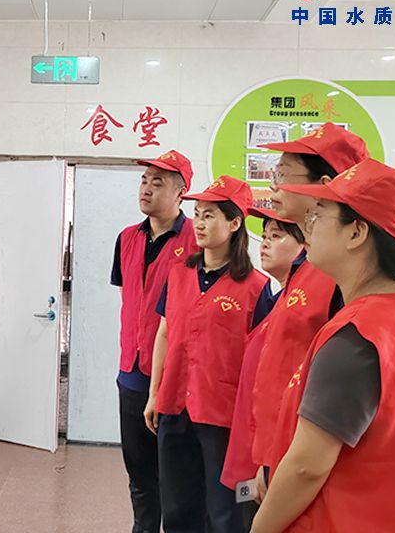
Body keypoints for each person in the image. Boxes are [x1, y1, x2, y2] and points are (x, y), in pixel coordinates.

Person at [252, 158, 395, 533]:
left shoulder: (358, 336)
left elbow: (307, 467)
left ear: (356, 233)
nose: (308, 226)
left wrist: (260, 527)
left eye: (319, 213)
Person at [144, 175, 269, 533]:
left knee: (225, 512)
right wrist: (154, 393)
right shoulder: (178, 275)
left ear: (234, 223)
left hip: (223, 415)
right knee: (177, 509)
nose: (198, 223)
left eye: (209, 215)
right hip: (174, 406)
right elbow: (165, 333)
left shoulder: (256, 287)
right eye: (197, 214)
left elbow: (261, 361)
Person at [250, 123, 368, 497]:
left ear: (325, 184)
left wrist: (288, 467)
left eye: (283, 174)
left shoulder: (340, 274)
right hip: (280, 449)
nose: (273, 186)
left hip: (307, 458)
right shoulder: (306, 265)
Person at [111, 150, 197, 533]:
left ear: (181, 192)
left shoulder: (197, 240)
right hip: (132, 373)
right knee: (140, 474)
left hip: (178, 378)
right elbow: (131, 299)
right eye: (144, 181)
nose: (146, 188)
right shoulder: (126, 238)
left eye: (157, 183)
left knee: (178, 477)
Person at [221, 208, 305, 532]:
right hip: (251, 448)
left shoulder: (301, 311)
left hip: (270, 457)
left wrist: (266, 462)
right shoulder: (273, 299)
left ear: (305, 245)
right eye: (265, 235)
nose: (265, 243)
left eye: (277, 236)